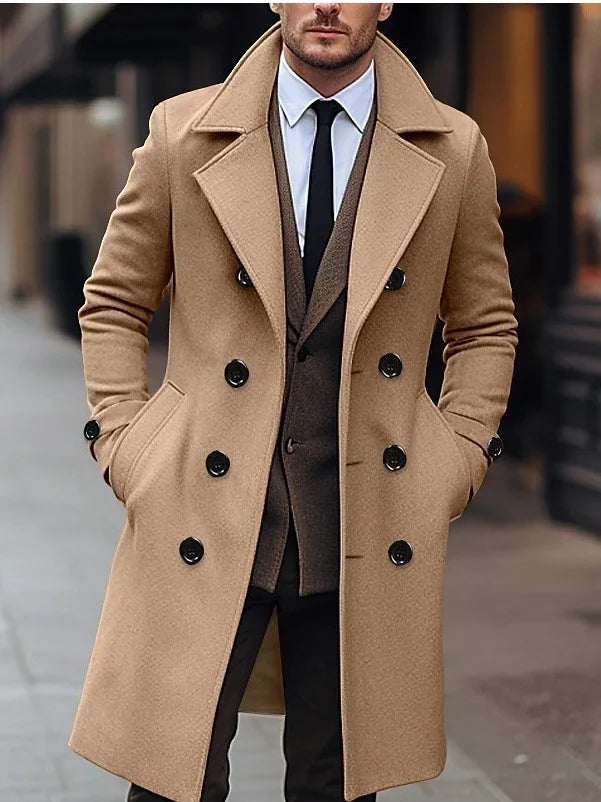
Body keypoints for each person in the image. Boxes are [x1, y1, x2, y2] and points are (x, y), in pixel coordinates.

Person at [68, 4, 519, 802]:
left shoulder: (453, 149)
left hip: (363, 519)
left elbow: (483, 325)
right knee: (173, 779)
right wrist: (126, 448)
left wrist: (455, 460)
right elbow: (113, 303)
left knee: (336, 783)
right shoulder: (183, 130)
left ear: (386, 4)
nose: (325, 6)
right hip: (201, 516)